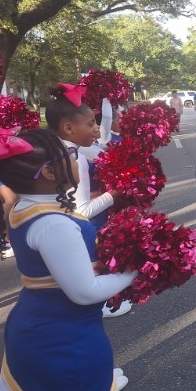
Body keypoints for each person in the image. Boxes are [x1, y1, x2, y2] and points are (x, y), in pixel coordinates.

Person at [0, 127, 136, 391]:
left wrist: (96, 266)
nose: (78, 157)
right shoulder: (52, 222)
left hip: (44, 327)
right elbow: (85, 292)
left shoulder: (24, 205)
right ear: (49, 171)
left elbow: (54, 270)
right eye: (71, 154)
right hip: (63, 339)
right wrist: (138, 270)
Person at [45, 85, 131, 318]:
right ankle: (100, 305)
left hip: (71, 222)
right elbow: (81, 210)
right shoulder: (75, 159)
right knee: (92, 265)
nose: (96, 129)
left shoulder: (63, 150)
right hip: (88, 226)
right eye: (91, 124)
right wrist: (114, 194)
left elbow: (103, 151)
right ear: (68, 128)